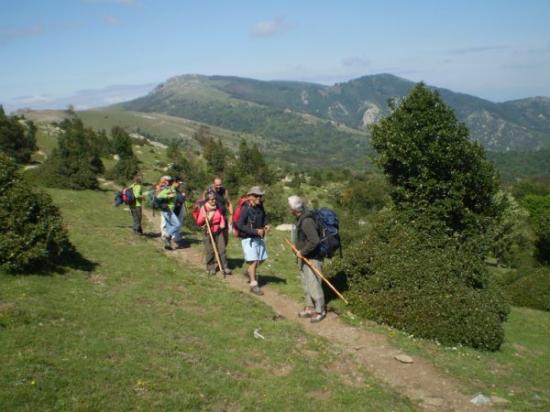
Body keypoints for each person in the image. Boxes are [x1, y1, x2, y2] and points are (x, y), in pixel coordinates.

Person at [288, 195, 326, 323]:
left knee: (314, 284)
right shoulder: (300, 218)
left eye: (290, 207)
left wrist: (302, 251)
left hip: (312, 257)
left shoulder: (306, 221)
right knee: (306, 284)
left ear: (295, 209)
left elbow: (314, 241)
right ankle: (310, 307)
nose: (289, 209)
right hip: (305, 256)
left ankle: (320, 310)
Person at [237, 186, 270, 295]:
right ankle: (253, 284)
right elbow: (240, 225)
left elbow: (264, 217)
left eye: (260, 196)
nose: (259, 198)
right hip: (248, 238)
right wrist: (255, 231)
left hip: (258, 237)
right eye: (256, 196)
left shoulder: (260, 206)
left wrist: (266, 225)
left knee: (262, 258)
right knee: (254, 261)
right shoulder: (245, 209)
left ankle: (249, 272)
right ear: (250, 196)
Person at [196, 190, 229, 276]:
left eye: (214, 199)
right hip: (208, 231)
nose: (214, 201)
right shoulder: (204, 208)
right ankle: (211, 267)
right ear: (207, 200)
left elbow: (221, 215)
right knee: (210, 251)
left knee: (222, 249)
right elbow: (199, 222)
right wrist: (204, 218)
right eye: (211, 199)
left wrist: (222, 223)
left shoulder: (217, 207)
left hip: (218, 230)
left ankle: (224, 266)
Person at [156, 176, 183, 250]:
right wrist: (168, 196)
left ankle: (167, 245)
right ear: (174, 182)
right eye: (178, 183)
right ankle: (166, 235)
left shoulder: (173, 189)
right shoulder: (169, 189)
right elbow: (159, 196)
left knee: (169, 227)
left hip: (169, 210)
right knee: (177, 224)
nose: (179, 185)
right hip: (167, 210)